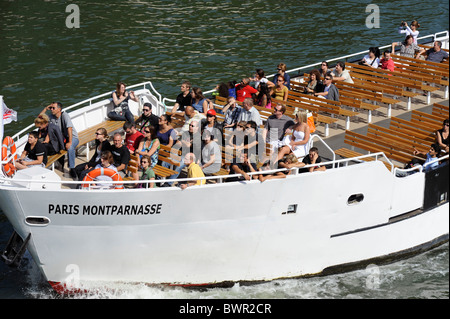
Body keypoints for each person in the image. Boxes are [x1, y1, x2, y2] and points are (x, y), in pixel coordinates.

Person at [39, 101, 79, 178]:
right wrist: (45, 108)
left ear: (59, 109)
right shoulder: (51, 117)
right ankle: (54, 164)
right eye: (51, 108)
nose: (51, 109)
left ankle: (72, 168)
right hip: (61, 139)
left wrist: (70, 142)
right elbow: (40, 117)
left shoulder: (65, 115)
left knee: (70, 148)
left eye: (53, 108)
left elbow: (69, 128)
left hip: (72, 137)